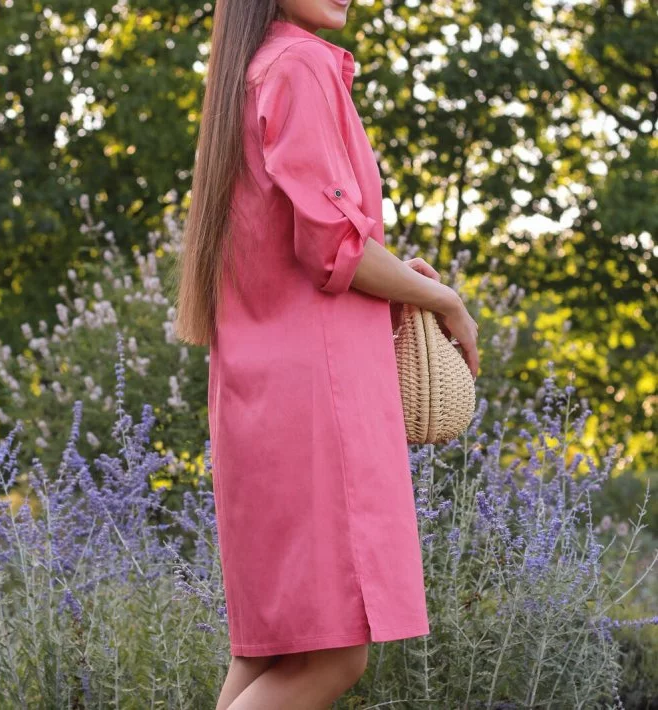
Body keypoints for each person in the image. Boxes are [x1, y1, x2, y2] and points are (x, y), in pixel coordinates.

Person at [173, 1, 480, 708]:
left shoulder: (251, 70)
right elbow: (335, 248)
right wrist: (445, 300)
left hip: (259, 398)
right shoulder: (299, 65)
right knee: (334, 654)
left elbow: (312, 243)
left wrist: (401, 277)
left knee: (274, 651)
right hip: (319, 402)